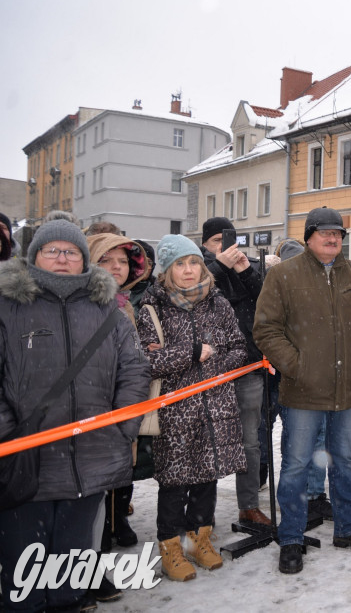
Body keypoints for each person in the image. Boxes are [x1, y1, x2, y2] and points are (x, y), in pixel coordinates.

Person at [0, 220, 150, 612]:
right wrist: (9, 436)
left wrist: (122, 428)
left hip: (91, 459)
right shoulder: (7, 306)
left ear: (84, 259)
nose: (62, 258)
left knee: (71, 568)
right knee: (24, 573)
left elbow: (134, 371)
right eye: (53, 251)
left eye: (71, 251)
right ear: (34, 257)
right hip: (25, 461)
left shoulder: (108, 309)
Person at [253, 207, 351, 575]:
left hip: (348, 390)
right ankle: (292, 537)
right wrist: (298, 366)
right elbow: (266, 329)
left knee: (343, 461)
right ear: (309, 236)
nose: (333, 239)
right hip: (303, 392)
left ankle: (348, 527)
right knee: (297, 465)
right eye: (325, 232)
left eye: (338, 233)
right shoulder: (284, 275)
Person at [134, 235, 246, 582]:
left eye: (193, 262)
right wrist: (193, 352)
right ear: (167, 270)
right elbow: (144, 361)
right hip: (175, 410)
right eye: (179, 264)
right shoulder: (152, 308)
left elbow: (239, 348)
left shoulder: (218, 303)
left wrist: (213, 364)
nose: (188, 270)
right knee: (174, 481)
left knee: (207, 477)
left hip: (215, 406)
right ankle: (170, 547)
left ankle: (200, 540)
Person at [199, 217, 270, 526]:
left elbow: (268, 301)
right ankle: (203, 515)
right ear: (205, 245)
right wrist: (220, 265)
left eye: (228, 241)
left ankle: (249, 505)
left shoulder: (247, 265)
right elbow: (194, 295)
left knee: (250, 441)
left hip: (250, 365)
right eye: (217, 241)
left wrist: (243, 269)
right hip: (210, 370)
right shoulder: (197, 267)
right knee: (206, 441)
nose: (224, 247)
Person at [87, 232, 152, 551]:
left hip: (123, 405)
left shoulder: (124, 304)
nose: (116, 267)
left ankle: (116, 520)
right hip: (91, 410)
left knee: (123, 466)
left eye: (123, 261)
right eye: (105, 260)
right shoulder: (83, 304)